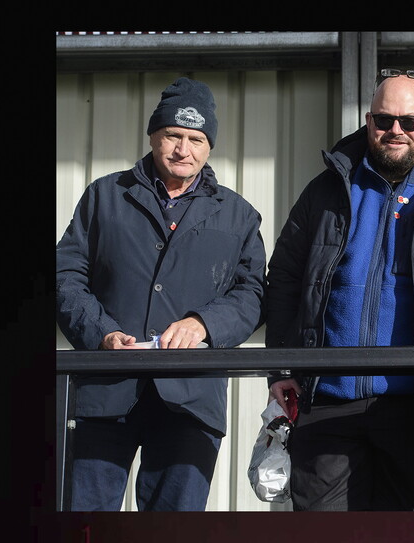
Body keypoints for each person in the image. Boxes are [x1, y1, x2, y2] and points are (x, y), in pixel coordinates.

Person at [264, 69, 414, 511]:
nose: (396, 130)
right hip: (326, 402)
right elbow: (284, 279)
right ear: (368, 121)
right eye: (384, 119)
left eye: (409, 122)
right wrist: (281, 368)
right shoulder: (326, 190)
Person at [55, 77, 267, 511]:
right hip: (106, 392)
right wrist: (101, 334)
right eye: (173, 135)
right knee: (86, 524)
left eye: (195, 138)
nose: (182, 149)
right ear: (154, 135)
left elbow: (253, 293)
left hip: (190, 399)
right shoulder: (104, 197)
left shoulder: (239, 215)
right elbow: (65, 275)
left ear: (210, 146)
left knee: (174, 529)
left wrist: (204, 324)